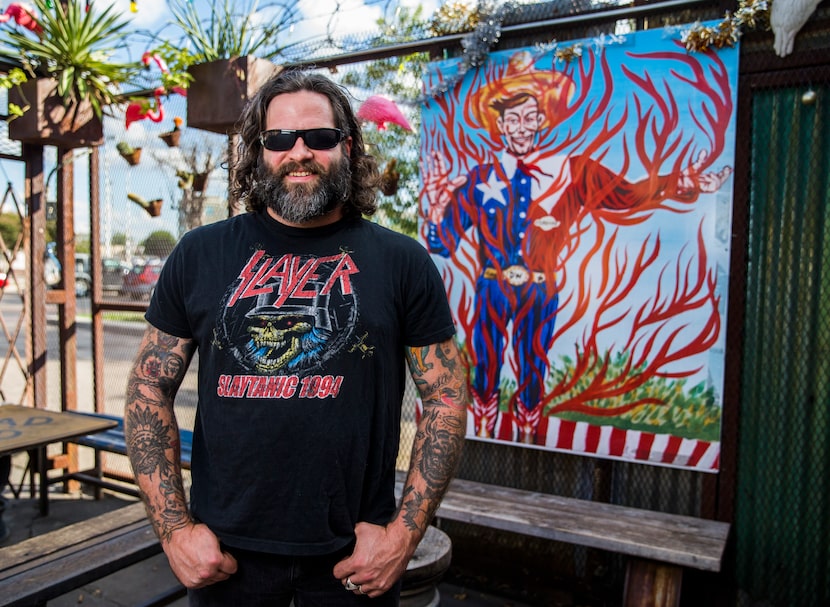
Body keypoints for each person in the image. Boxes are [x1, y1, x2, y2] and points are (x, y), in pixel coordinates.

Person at [124, 69, 468, 606]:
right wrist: (174, 530)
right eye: (279, 139)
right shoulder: (198, 254)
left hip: (355, 560)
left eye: (320, 138)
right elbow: (148, 387)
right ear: (258, 152)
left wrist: (403, 535)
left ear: (348, 147)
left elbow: (445, 396)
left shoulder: (401, 262)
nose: (299, 152)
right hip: (225, 559)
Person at [423, 50, 732, 444]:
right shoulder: (480, 179)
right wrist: (435, 204)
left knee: (533, 367)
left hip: (541, 287)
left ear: (541, 120)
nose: (521, 127)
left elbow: (628, 195)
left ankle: (529, 436)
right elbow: (442, 244)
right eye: (512, 119)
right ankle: (482, 432)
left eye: (529, 117)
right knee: (485, 367)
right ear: (500, 124)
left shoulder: (571, 171)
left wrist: (679, 182)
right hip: (492, 287)